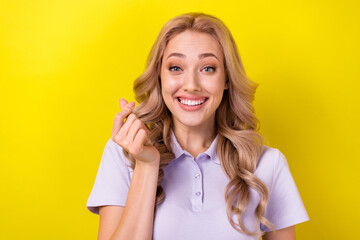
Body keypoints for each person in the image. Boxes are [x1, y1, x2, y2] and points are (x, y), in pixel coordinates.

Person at [86, 12, 309, 240]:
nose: (191, 85)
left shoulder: (267, 164)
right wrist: (146, 165)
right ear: (159, 77)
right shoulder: (123, 155)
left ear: (226, 79)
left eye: (207, 68)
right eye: (175, 68)